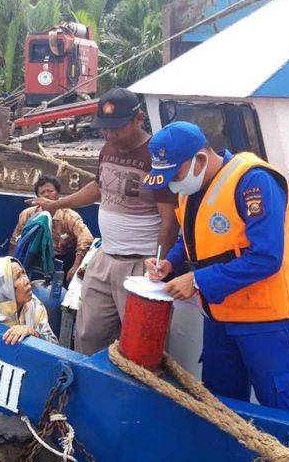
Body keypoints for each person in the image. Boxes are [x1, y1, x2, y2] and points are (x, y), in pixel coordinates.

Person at [143, 121, 289, 415]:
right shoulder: (189, 190)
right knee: (221, 405)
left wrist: (196, 281)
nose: (172, 183)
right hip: (219, 315)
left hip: (265, 320)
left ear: (200, 160)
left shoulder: (254, 181)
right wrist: (170, 263)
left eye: (175, 174)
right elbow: (190, 237)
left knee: (284, 406)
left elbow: (266, 257)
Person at [28, 87, 178, 355]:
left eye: (116, 128)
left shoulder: (156, 156)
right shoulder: (108, 149)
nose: (109, 135)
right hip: (105, 256)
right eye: (104, 129)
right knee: (88, 333)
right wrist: (57, 203)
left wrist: (160, 263)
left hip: (140, 262)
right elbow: (98, 188)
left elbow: (169, 218)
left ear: (138, 118)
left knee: (140, 345)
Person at [9, 175, 94, 283]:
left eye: (50, 191)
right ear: (37, 196)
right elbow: (15, 240)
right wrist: (11, 264)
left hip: (62, 260)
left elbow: (86, 238)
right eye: (42, 193)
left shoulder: (70, 216)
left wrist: (76, 265)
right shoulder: (28, 214)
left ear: (58, 193)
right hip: (35, 258)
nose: (46, 195)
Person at [0, 257, 58, 345]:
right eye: (18, 277)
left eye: (23, 273)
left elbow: (54, 344)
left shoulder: (33, 304)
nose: (27, 280)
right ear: (3, 289)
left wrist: (34, 334)